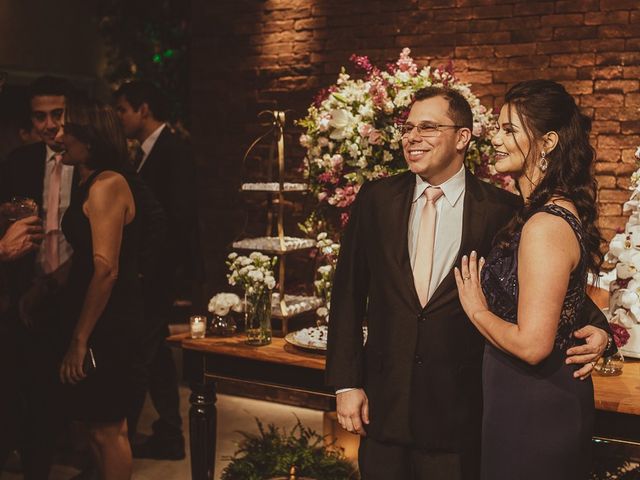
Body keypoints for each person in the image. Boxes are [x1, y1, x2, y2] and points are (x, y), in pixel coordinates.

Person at [325, 86, 613, 480]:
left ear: (462, 137)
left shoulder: (504, 209)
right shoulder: (376, 199)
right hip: (383, 408)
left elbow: (544, 284)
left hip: (463, 418)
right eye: (407, 128)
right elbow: (347, 295)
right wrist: (345, 384)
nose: (412, 137)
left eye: (427, 127)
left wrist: (600, 330)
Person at [455, 80, 605, 480]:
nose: (496, 139)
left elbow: (534, 344)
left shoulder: (544, 225)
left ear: (548, 141)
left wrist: (477, 311)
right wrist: (600, 332)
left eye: (509, 130)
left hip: (536, 411)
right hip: (519, 402)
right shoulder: (538, 213)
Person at [54, 96, 148, 480]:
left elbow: (106, 270)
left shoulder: (107, 185)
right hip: (98, 320)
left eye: (66, 128)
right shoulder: (93, 181)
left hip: (108, 327)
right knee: (95, 427)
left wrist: (80, 338)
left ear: (88, 139)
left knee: (109, 430)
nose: (58, 135)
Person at [114, 80, 199, 459]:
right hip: (152, 274)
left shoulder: (173, 149)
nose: (120, 117)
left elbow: (178, 219)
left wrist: (153, 273)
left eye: (123, 109)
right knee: (158, 355)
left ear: (143, 109)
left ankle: (117, 440)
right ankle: (169, 432)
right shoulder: (144, 151)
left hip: (156, 276)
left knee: (137, 355)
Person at [0, 75, 76, 479]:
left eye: (58, 114)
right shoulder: (19, 162)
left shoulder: (88, 163)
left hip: (72, 291)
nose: (50, 125)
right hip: (22, 294)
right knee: (18, 391)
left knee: (62, 399)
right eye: (40, 116)